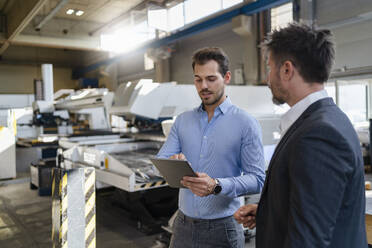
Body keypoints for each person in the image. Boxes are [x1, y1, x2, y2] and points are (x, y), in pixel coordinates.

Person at [234, 23, 367, 248]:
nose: (268, 79)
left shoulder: (318, 135)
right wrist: (269, 214)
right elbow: (319, 208)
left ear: (287, 70)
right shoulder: (328, 118)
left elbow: (308, 240)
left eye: (269, 68)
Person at [157, 47, 265, 248]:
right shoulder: (182, 121)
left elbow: (257, 179)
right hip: (182, 226)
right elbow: (162, 160)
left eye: (211, 79)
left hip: (223, 229)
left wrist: (216, 185)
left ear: (227, 77)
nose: (203, 86)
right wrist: (172, 163)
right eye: (198, 79)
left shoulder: (245, 123)